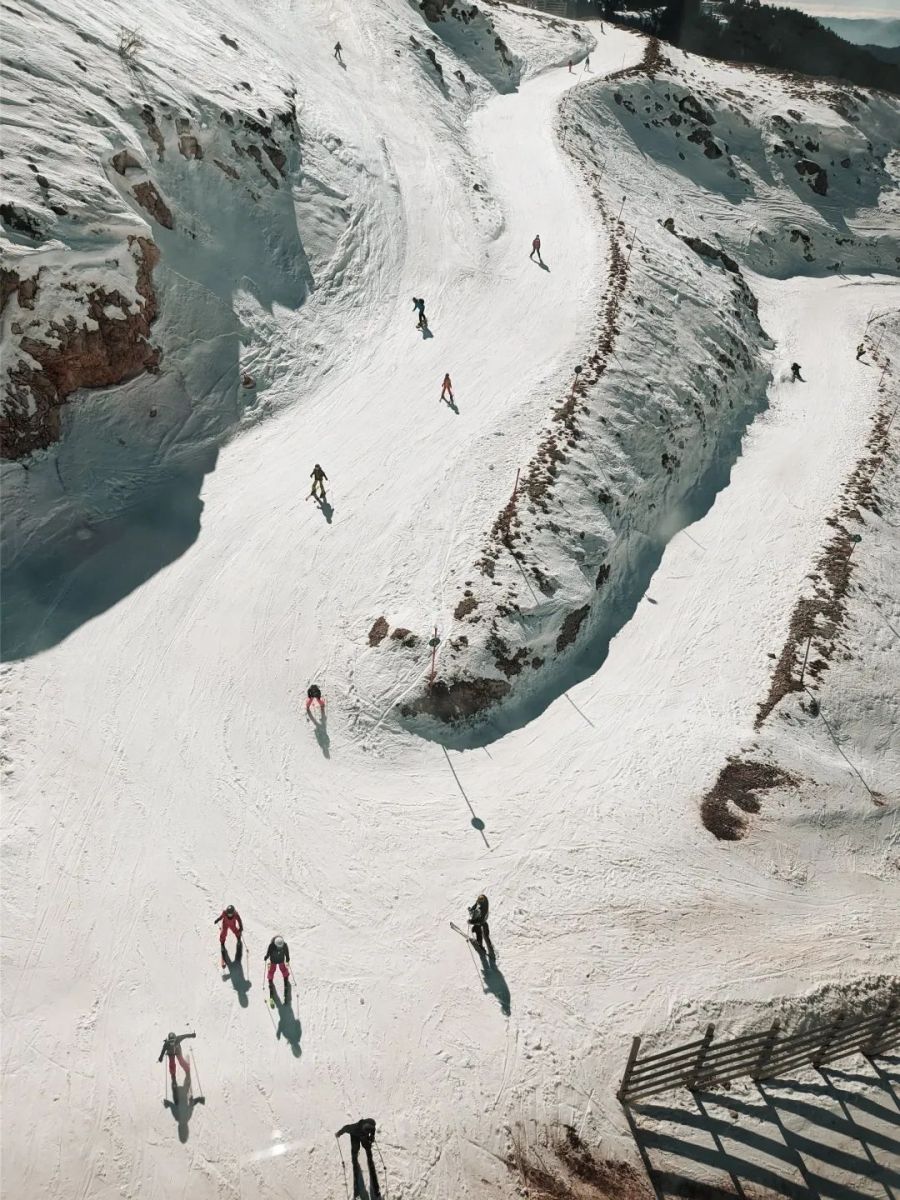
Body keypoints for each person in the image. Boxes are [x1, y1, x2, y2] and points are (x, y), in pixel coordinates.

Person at [336, 1118, 381, 1199]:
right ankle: (355, 1159)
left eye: (368, 1131)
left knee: (367, 1146)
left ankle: (366, 1151)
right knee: (355, 1150)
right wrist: (339, 1133)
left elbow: (373, 1129)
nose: (368, 1132)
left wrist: (372, 1136)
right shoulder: (353, 1128)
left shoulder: (371, 1125)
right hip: (355, 1136)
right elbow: (345, 1128)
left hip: (363, 1138)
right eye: (367, 1131)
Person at [468, 893, 494, 959]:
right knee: (478, 929)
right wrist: (472, 909)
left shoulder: (484, 909)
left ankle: (489, 949)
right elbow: (476, 904)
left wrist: (471, 922)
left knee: (484, 934)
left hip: (483, 921)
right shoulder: (482, 899)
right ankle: (480, 943)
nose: (478, 902)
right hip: (481, 920)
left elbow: (480, 920)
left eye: (480, 902)